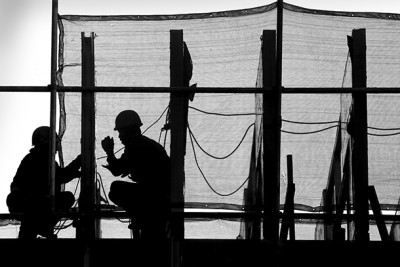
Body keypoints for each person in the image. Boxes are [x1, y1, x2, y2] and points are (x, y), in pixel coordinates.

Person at [101, 110, 171, 240]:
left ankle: (141, 215)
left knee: (116, 189)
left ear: (129, 131)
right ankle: (141, 215)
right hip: (162, 195)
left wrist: (110, 153)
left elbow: (117, 169)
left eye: (121, 132)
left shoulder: (136, 146)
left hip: (156, 196)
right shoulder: (145, 144)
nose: (120, 137)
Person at [6, 126, 81, 239]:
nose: (57, 147)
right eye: (55, 142)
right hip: (34, 206)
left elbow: (59, 176)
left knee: (28, 230)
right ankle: (43, 227)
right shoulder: (41, 160)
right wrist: (79, 161)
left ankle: (41, 227)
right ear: (48, 143)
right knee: (67, 198)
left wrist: (75, 171)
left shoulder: (33, 158)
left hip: (30, 208)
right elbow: (60, 176)